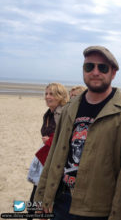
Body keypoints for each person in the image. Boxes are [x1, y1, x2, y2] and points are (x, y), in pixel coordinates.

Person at [34, 46, 121, 219]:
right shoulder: (69, 108)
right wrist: (42, 197)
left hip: (95, 210)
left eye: (102, 67)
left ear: (113, 73)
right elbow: (54, 155)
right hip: (59, 201)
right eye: (89, 67)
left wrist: (118, 215)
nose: (95, 72)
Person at [27, 82, 69, 220]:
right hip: (45, 157)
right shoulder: (50, 113)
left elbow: (65, 138)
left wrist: (50, 141)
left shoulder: (62, 112)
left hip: (55, 162)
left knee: (43, 195)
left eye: (51, 94)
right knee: (38, 193)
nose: (47, 97)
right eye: (46, 94)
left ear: (60, 96)